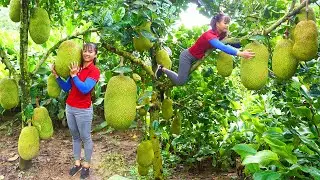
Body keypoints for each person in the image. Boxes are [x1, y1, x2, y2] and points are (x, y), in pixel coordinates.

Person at [155, 12, 255, 85]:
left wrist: (250, 40)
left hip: (198, 57)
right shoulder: (209, 35)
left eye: (228, 23)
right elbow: (222, 46)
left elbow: (232, 42)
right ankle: (162, 68)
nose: (227, 25)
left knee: (183, 78)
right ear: (217, 23)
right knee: (181, 81)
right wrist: (240, 53)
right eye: (225, 23)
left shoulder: (222, 34)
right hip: (187, 57)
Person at [51, 42, 100, 179]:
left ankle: (86, 165)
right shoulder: (76, 67)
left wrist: (74, 76)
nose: (87, 53)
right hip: (70, 107)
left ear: (95, 54)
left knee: (86, 137)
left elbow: (85, 89)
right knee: (75, 137)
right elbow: (67, 88)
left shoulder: (94, 71)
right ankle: (77, 163)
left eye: (90, 51)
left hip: (83, 110)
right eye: (85, 51)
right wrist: (56, 76)